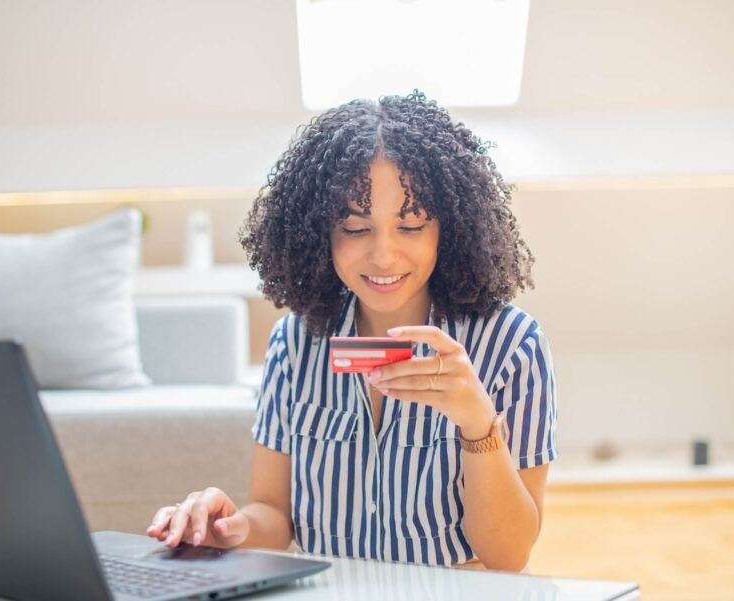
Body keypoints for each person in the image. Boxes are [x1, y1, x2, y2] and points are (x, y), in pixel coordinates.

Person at [147, 90, 558, 571]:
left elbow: (508, 556)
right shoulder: (294, 344)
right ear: (319, 232)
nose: (383, 256)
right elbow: (274, 514)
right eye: (356, 229)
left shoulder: (513, 346)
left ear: (448, 229)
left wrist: (478, 425)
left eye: (411, 226)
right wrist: (231, 527)